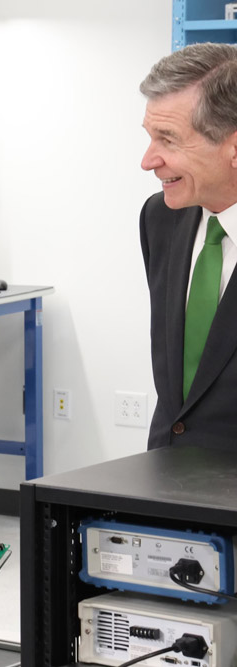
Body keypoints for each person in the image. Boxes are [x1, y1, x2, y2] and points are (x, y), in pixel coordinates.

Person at [139, 43, 237, 451]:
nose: (147, 160)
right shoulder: (159, 217)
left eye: (169, 139)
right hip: (167, 479)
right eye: (149, 137)